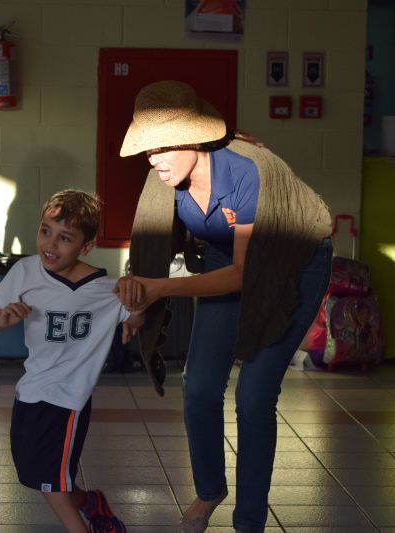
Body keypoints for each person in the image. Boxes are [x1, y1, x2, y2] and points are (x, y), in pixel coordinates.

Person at [115, 81, 332, 533]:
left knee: (254, 395)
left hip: (293, 264)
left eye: (162, 147)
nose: (153, 159)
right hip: (228, 258)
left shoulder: (248, 173)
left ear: (194, 139)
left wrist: (159, 289)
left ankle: (249, 522)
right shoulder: (165, 179)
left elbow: (244, 275)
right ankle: (210, 488)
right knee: (199, 386)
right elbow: (153, 244)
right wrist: (140, 304)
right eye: (149, 149)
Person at [0, 189, 143, 533]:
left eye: (65, 238)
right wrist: (3, 319)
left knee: (51, 482)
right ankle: (90, 503)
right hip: (30, 389)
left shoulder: (106, 289)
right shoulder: (26, 271)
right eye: (45, 231)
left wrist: (136, 300)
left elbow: (136, 315)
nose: (50, 244)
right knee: (35, 471)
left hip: (68, 397)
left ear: (86, 247)